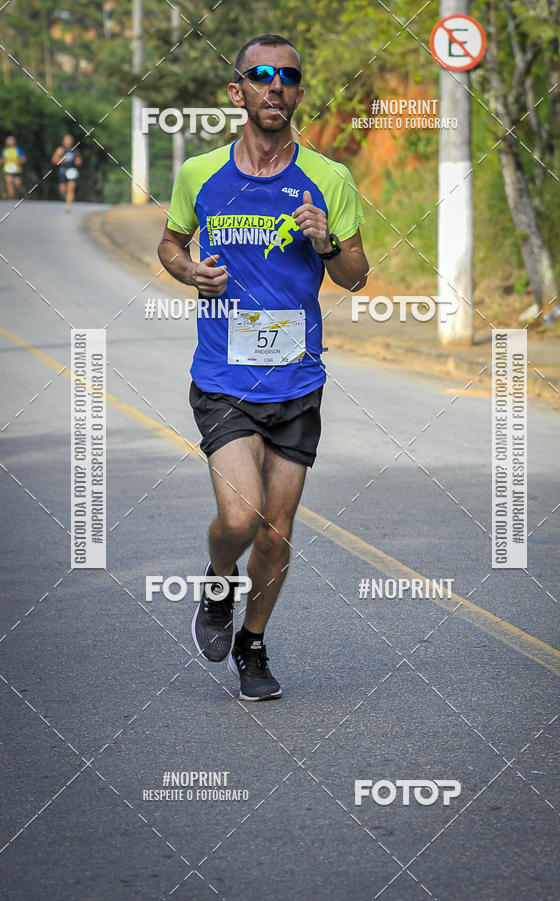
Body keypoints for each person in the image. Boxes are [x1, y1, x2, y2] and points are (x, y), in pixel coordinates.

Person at [158, 34, 369, 701]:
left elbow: (357, 276)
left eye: (289, 77)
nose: (275, 86)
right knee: (243, 519)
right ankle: (217, 579)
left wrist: (325, 241)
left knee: (276, 535)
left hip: (298, 382)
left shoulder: (329, 179)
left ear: (299, 92)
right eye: (261, 75)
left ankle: (252, 642)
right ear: (238, 91)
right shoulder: (199, 173)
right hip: (223, 378)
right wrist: (187, 267)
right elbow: (170, 240)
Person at [51, 135, 82, 211]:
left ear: (72, 142)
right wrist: (60, 160)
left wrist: (78, 161)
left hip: (72, 171)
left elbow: (79, 159)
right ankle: (66, 196)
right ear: (63, 141)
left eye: (69, 140)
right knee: (63, 190)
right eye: (66, 140)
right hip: (63, 171)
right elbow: (53, 160)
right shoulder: (60, 150)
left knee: (71, 188)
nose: (68, 142)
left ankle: (68, 206)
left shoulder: (75, 150)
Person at [2, 136, 26, 200]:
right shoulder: (4, 150)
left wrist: (19, 162)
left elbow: (23, 159)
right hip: (7, 170)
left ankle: (20, 193)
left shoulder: (18, 150)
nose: (9, 142)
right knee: (9, 182)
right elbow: (2, 159)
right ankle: (11, 199)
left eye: (11, 140)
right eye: (8, 140)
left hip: (16, 171)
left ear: (14, 142)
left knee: (17, 184)